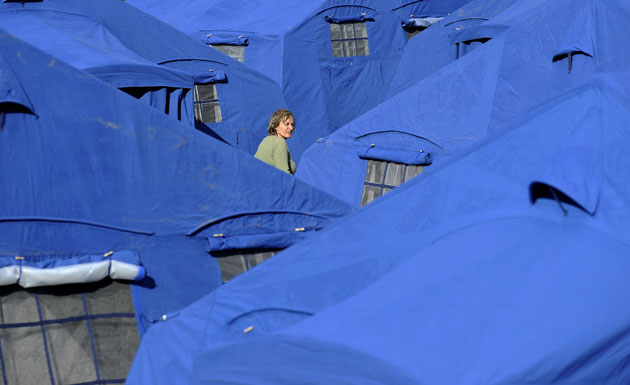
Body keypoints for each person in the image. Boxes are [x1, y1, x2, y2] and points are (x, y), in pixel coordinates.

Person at [254, 109, 297, 175]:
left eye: (292, 124)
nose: (291, 128)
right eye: (287, 124)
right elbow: (284, 175)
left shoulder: (266, 140)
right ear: (276, 126)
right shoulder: (279, 142)